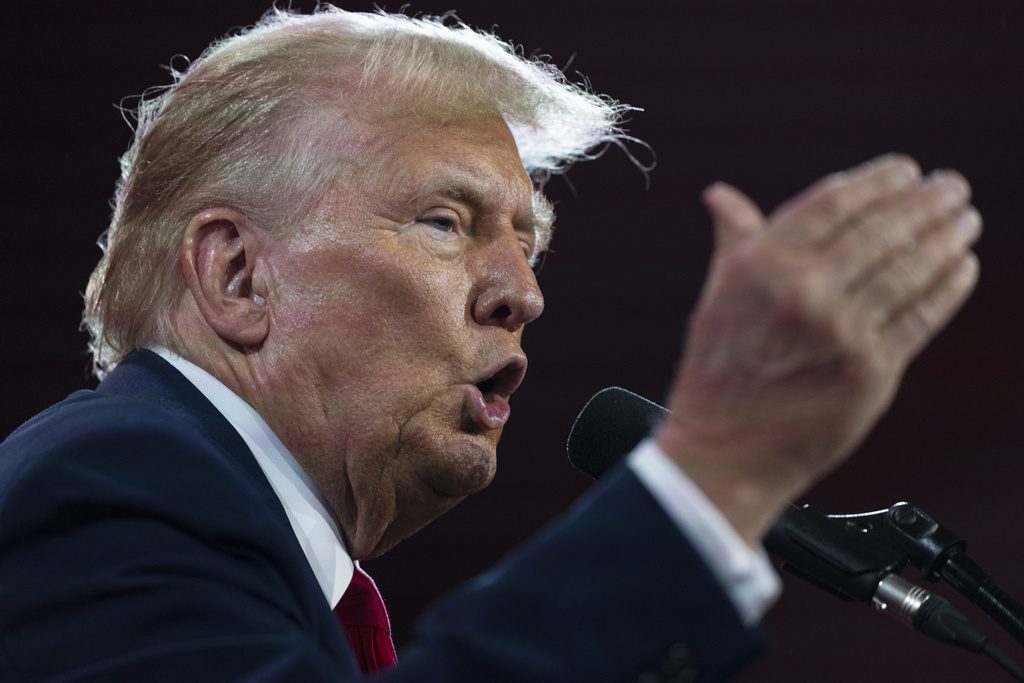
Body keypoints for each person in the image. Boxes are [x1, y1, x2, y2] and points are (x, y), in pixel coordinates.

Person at [0, 7, 980, 682]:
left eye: (529, 241)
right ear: (237, 275)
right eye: (443, 220)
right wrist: (716, 471)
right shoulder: (114, 483)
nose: (524, 292)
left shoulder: (230, 540)